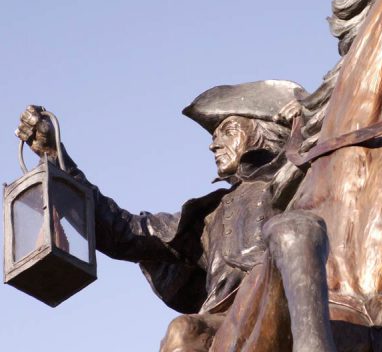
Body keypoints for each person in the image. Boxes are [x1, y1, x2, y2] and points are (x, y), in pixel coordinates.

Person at [15, 80, 336, 352]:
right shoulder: (210, 215)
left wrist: (308, 124)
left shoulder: (310, 181)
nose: (213, 145)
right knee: (184, 334)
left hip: (306, 310)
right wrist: (56, 156)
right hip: (231, 322)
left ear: (262, 130)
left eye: (226, 130)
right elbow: (124, 232)